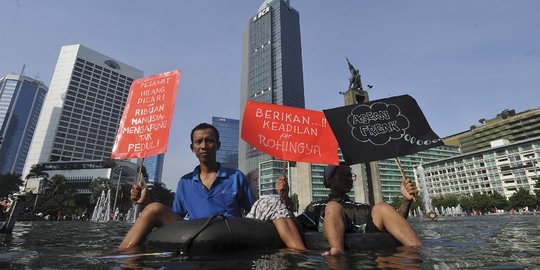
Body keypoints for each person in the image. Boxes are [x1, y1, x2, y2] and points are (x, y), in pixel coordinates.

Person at [119, 123, 304, 251]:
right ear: (192, 148)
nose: (204, 145)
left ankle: (299, 254)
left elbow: (254, 211)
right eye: (199, 142)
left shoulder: (235, 176)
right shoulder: (185, 181)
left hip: (232, 230)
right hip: (196, 230)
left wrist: (283, 198)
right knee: (152, 208)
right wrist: (147, 201)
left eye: (209, 141)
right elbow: (175, 216)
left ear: (218, 145)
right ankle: (122, 254)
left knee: (268, 201)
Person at [297, 163, 422, 256]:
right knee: (333, 206)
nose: (349, 178)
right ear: (330, 179)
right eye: (343, 174)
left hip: (369, 255)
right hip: (337, 257)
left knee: (382, 206)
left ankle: (418, 250)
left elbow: (396, 223)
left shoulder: (364, 207)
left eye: (350, 174)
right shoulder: (316, 207)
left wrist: (406, 200)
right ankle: (337, 254)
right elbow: (294, 227)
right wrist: (284, 200)